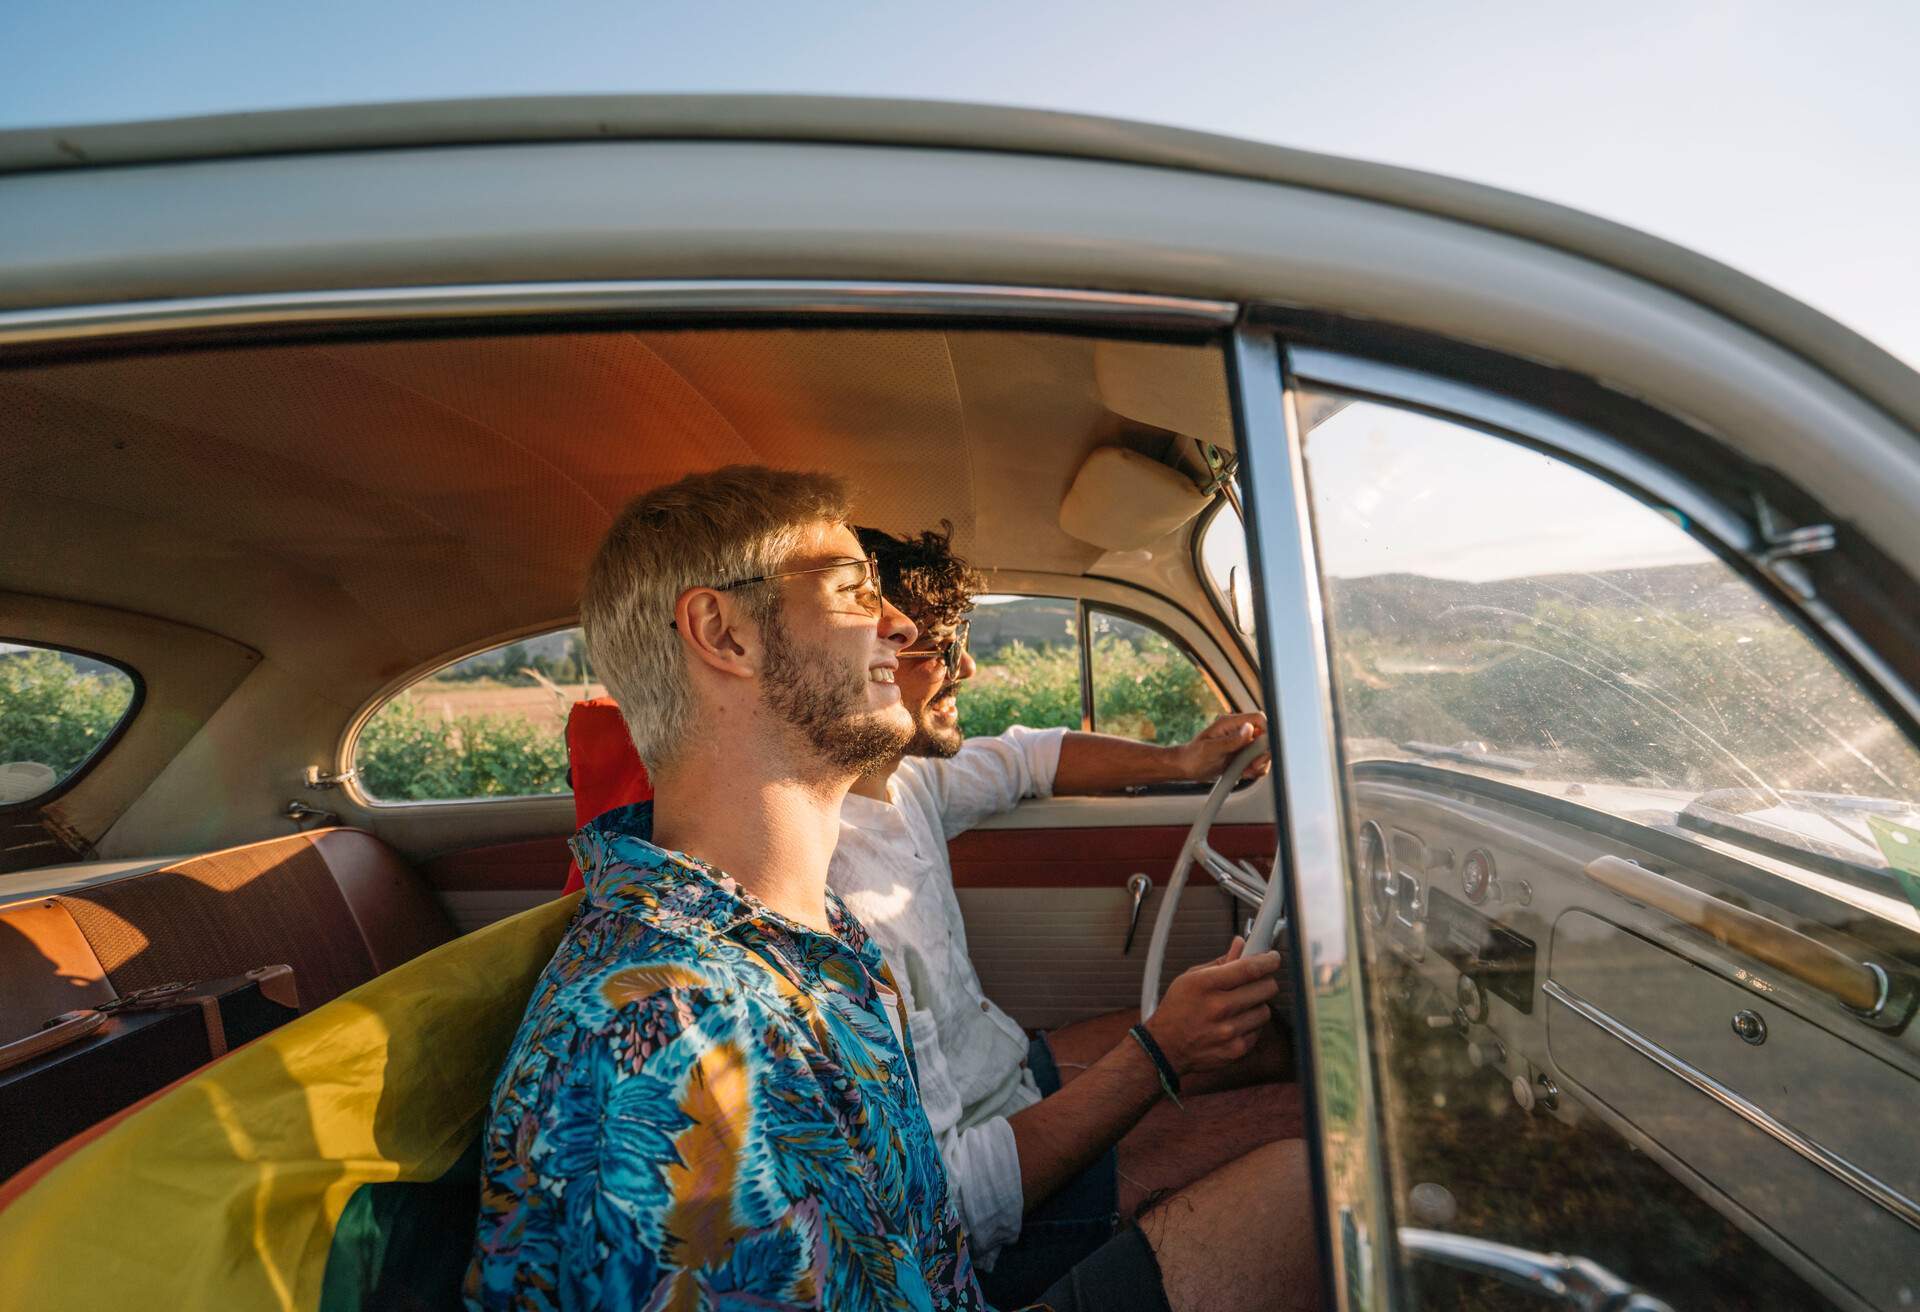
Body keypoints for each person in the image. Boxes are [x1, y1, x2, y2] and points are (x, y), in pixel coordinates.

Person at [466, 466, 1319, 1312]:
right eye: (852, 591)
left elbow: (912, 1224)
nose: (904, 627)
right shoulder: (667, 1046)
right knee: (1308, 1186)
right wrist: (1159, 1056)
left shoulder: (812, 937)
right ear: (724, 634)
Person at [832, 522, 1304, 1307]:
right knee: (1305, 1134)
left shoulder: (904, 780)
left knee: (1264, 1046)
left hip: (1005, 1076)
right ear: (866, 662)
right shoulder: (835, 898)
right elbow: (949, 1206)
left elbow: (1028, 758)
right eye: (939, 649)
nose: (967, 667)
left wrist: (1181, 762)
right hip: (998, 1207)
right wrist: (1160, 1053)